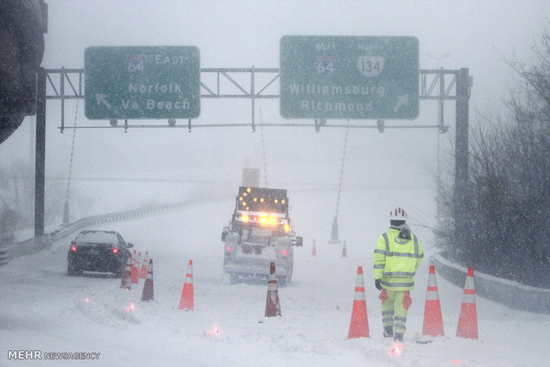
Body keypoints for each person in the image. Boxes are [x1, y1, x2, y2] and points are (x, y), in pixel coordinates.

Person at [372, 207, 424, 342]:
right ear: (404, 221)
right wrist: (409, 269)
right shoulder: (413, 239)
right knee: (402, 307)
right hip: (405, 282)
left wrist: (377, 277)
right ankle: (399, 334)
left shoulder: (384, 238)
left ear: (391, 221)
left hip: (387, 282)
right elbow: (420, 258)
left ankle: (388, 329)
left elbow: (378, 260)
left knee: (387, 304)